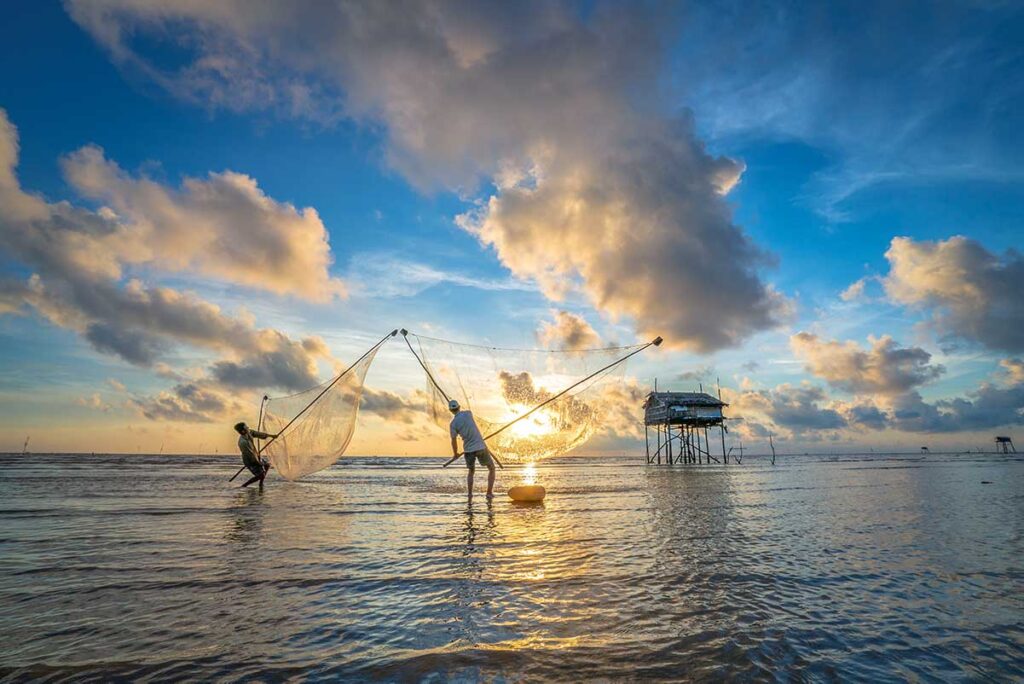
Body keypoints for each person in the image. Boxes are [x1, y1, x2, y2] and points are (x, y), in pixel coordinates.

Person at [449, 399, 495, 503]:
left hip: (468, 450)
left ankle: (470, 494)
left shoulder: (453, 424)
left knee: (471, 471)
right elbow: (463, 414)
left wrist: (455, 453)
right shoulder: (468, 413)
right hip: (480, 446)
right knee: (491, 468)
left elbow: (453, 440)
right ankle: (489, 493)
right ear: (459, 407)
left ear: (450, 411)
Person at [234, 422, 277, 489]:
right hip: (250, 460)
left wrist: (271, 436)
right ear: (243, 431)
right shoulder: (243, 442)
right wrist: (258, 462)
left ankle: (261, 483)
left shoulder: (249, 432)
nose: (248, 428)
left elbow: (258, 434)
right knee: (260, 475)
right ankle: (244, 485)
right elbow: (250, 455)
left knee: (267, 465)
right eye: (246, 427)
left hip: (255, 455)